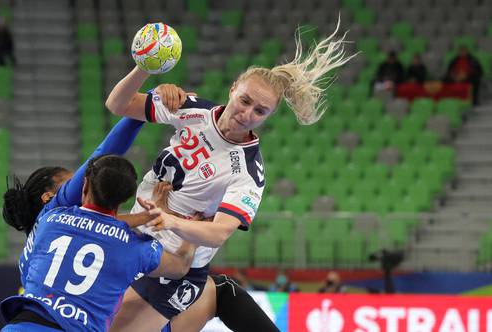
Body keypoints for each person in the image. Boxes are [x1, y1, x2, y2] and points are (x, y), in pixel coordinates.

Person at [105, 18, 354, 332]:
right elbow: (118, 104)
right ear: (234, 88)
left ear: (269, 116)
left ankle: (208, 298)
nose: (247, 114)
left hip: (175, 268)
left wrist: (170, 221)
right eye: (245, 100)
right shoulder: (193, 110)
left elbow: (220, 233)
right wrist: (145, 68)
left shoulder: (248, 172)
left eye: (260, 111)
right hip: (136, 241)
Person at [0, 155, 196, 331]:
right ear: (124, 199)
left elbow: (94, 224)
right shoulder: (135, 247)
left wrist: (146, 217)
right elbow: (180, 266)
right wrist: (189, 226)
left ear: (84, 186)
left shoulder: (50, 219)